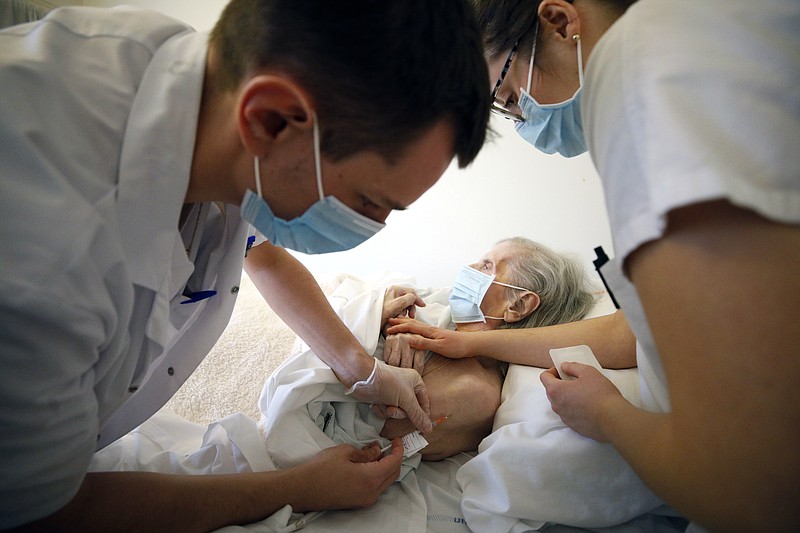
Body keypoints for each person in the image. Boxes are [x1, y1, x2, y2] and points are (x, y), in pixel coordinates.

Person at [0, 0, 490, 530]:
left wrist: (361, 369)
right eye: (372, 201)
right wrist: (296, 488)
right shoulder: (45, 261)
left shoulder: (204, 97)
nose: (373, 225)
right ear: (271, 118)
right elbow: (43, 509)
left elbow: (261, 248)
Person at [392, 0, 800, 530]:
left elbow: (751, 489)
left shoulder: (649, 87)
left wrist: (606, 414)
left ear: (560, 22)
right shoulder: (707, 41)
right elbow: (638, 330)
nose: (519, 121)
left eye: (508, 96)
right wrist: (470, 341)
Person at [380, 237, 596, 460]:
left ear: (518, 306)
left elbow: (375, 428)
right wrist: (386, 316)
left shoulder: (472, 391)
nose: (468, 269)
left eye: (486, 266)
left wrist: (388, 332)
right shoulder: (433, 313)